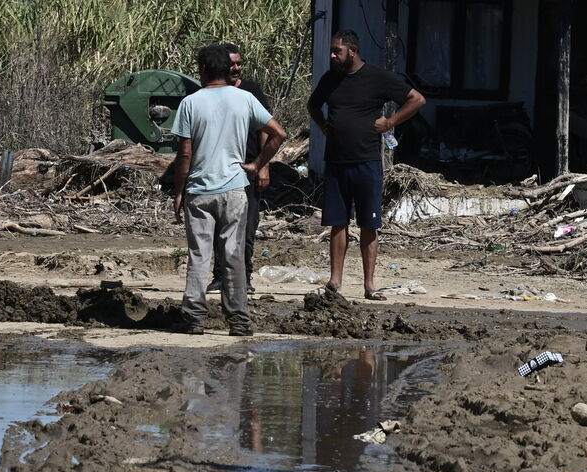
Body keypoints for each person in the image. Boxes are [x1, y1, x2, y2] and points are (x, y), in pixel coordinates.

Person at [171, 44, 287, 336]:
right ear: (226, 69)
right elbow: (279, 133)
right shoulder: (245, 99)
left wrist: (179, 191)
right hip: (235, 190)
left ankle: (194, 318)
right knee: (233, 254)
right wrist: (258, 163)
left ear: (203, 70)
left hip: (199, 190)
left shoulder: (190, 103)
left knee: (200, 254)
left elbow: (185, 154)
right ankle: (238, 321)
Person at [307, 29, 425, 300]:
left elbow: (416, 99)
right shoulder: (331, 78)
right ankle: (335, 281)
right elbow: (313, 105)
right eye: (332, 50)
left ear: (353, 50)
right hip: (336, 161)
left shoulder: (378, 77)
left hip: (367, 160)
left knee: (369, 224)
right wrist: (325, 127)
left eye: (337, 50)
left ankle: (369, 284)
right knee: (338, 223)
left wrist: (391, 122)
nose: (333, 55)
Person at [207, 43, 272, 295]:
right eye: (231, 63)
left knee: (246, 226)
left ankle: (244, 276)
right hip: (218, 168)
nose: (235, 68)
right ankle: (220, 275)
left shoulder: (251, 91)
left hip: (248, 167)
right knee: (217, 225)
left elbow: (267, 128)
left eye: (239, 63)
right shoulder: (211, 91)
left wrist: (263, 166)